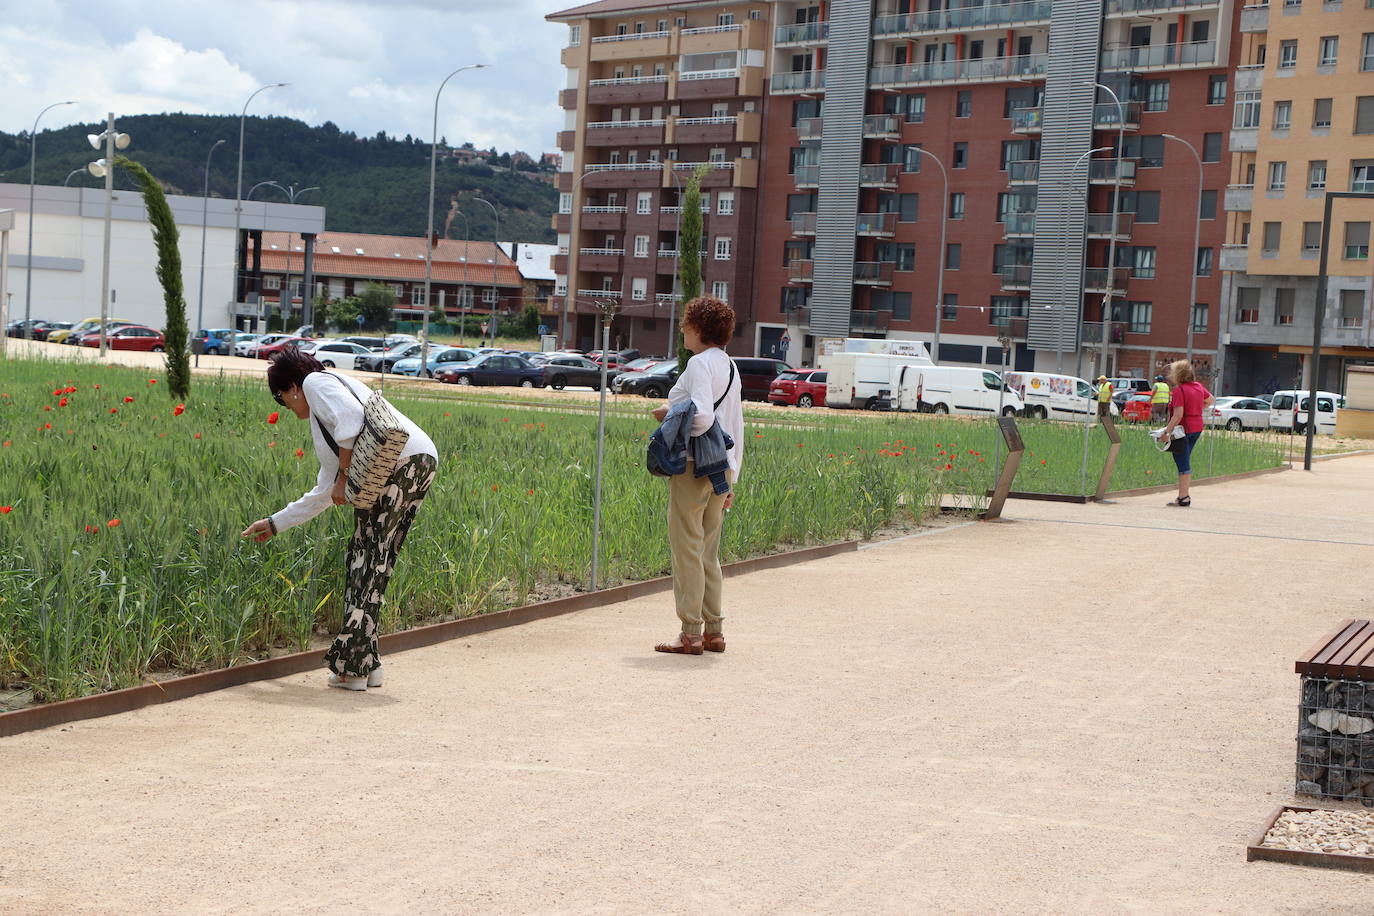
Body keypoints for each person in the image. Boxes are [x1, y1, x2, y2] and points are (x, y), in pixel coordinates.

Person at [241, 347, 438, 690]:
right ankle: (368, 664)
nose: (285, 407)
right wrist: (274, 524)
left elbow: (350, 423)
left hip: (395, 468)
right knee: (374, 564)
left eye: (281, 398)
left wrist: (346, 477)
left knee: (364, 564)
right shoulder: (325, 412)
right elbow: (323, 492)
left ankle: (352, 669)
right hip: (417, 462)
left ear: (291, 387)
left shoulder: (315, 382)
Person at [650, 297, 744, 656]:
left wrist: (670, 417)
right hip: (721, 467)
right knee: (708, 550)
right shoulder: (730, 366)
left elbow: (703, 418)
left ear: (698, 328)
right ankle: (714, 630)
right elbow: (735, 424)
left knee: (686, 547)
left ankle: (690, 633)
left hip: (693, 467)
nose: (682, 330)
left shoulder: (699, 364)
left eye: (686, 324)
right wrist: (732, 476)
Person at [1157, 359, 1214, 508]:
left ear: (1178, 375)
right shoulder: (1198, 387)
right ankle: (1183, 496)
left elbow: (1178, 415)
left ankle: (1184, 497)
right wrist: (1196, 409)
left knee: (1182, 461)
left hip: (1183, 430)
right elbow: (1210, 400)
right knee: (1185, 458)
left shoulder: (1179, 390)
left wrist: (1165, 433)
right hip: (1196, 427)